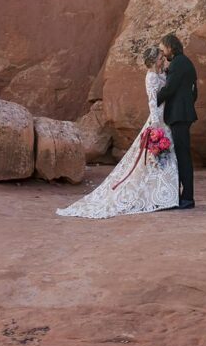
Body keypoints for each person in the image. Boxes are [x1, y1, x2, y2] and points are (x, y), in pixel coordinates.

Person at [56, 47, 179, 218]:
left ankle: (163, 194)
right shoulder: (150, 77)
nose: (162, 60)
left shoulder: (159, 73)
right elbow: (152, 100)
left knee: (162, 157)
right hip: (158, 120)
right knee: (155, 156)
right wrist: (156, 124)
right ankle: (158, 194)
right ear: (152, 61)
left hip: (165, 118)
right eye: (159, 58)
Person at [156, 33, 198, 210]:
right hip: (183, 114)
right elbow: (194, 92)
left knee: (183, 156)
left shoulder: (178, 63)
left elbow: (170, 89)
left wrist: (153, 100)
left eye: (162, 49)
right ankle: (184, 195)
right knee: (182, 155)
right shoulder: (184, 62)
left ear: (170, 47)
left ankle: (187, 198)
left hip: (179, 116)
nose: (162, 53)